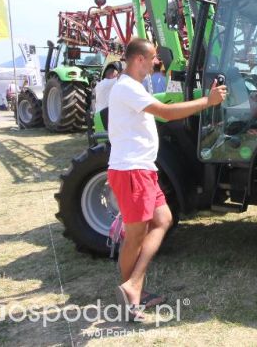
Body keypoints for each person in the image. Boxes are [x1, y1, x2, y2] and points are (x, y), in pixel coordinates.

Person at [107, 38, 227, 319]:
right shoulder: (126, 87)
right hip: (132, 171)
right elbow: (163, 112)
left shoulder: (134, 87)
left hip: (143, 170)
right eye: (152, 58)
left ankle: (133, 285)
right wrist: (207, 102)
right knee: (135, 235)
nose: (155, 63)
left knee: (163, 220)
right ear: (138, 59)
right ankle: (131, 293)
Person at [94, 61, 122, 129]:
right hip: (106, 119)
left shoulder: (98, 85)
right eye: (117, 74)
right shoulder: (112, 82)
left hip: (98, 119)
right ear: (113, 75)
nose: (117, 76)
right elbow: (124, 77)